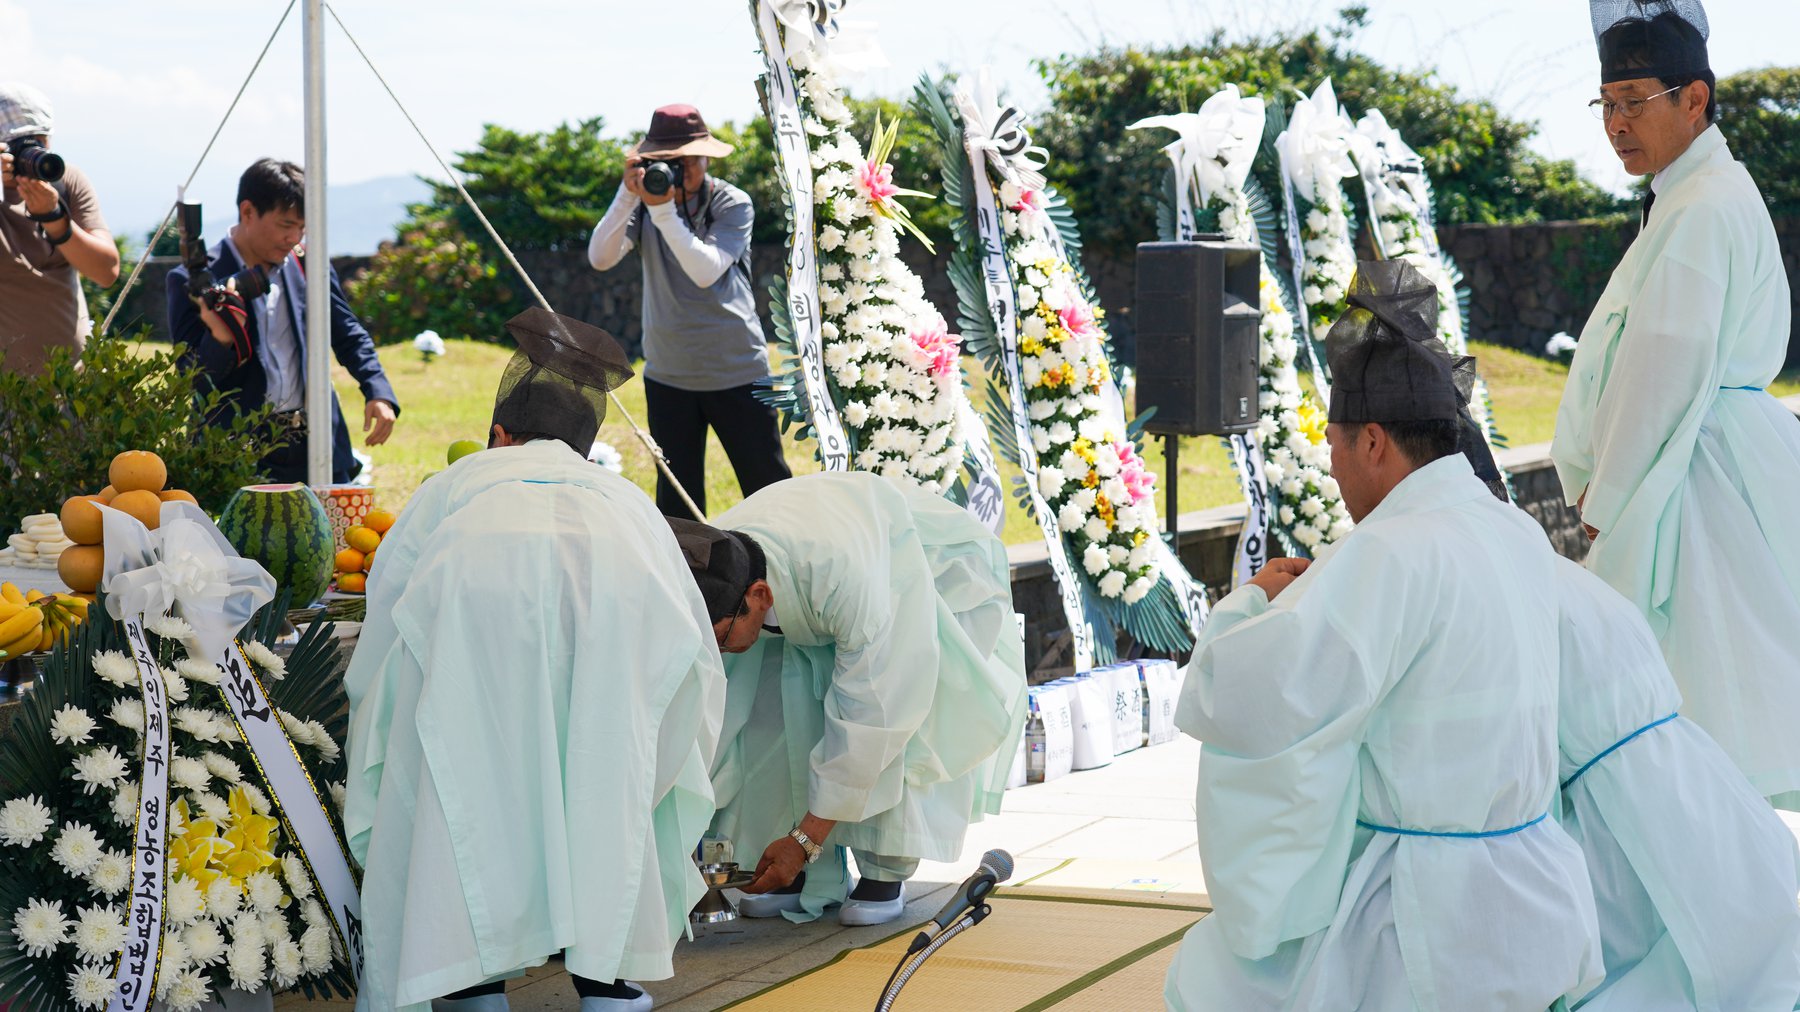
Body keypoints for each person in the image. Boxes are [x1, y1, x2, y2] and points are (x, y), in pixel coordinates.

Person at [1164, 261, 1602, 1011]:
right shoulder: (1512, 530)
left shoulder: (1392, 550)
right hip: (1538, 885)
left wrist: (1249, 605)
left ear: (1372, 442)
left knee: (1219, 983)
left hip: (1426, 919)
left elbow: (1256, 697)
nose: (1331, 470)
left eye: (1332, 446)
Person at [342, 307, 724, 1012]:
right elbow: (694, 654)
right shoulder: (628, 505)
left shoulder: (450, 490)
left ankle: (470, 982)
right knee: (603, 783)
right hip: (610, 664)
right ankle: (605, 982)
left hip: (471, 669)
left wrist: (378, 726)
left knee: (462, 786)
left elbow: (386, 629)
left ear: (498, 435)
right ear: (583, 446)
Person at [1552, 0, 1800, 810]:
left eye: (1635, 103)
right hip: (1708, 458)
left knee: (1698, 711)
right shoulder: (1697, 194)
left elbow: (1661, 370)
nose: (1617, 124)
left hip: (1692, 473)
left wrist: (1606, 498)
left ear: (1695, 99)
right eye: (1608, 105)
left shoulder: (1703, 205)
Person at [667, 471, 1026, 927]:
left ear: (758, 596)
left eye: (718, 637)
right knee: (769, 713)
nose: (715, 648)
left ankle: (882, 871)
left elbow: (876, 714)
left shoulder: (846, 581)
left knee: (898, 719)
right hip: (819, 563)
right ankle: (804, 874)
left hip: (918, 569)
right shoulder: (721, 567)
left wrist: (806, 838)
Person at [1552, 555, 1800, 1010]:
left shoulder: (1504, 592)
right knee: (1744, 945)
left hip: (1614, 804)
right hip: (1687, 774)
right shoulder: (1570, 580)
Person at [589, 104, 791, 517]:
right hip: (670, 376)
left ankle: (787, 569)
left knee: (767, 488)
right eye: (667, 163)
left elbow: (706, 269)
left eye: (687, 161)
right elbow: (600, 257)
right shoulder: (643, 204)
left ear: (706, 157)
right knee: (678, 502)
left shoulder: (732, 203)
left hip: (737, 370)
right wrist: (628, 194)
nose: (679, 171)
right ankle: (693, 580)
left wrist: (662, 210)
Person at [168, 158, 399, 485]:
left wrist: (378, 391)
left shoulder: (310, 263)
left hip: (317, 441)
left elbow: (347, 333)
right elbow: (193, 383)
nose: (294, 237)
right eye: (286, 224)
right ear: (247, 212)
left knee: (330, 536)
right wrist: (221, 338)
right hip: (236, 451)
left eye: (302, 228)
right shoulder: (193, 281)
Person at [0, 82, 120, 375]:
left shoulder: (67, 181)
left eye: (38, 141)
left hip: (72, 391)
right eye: (18, 145)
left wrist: (55, 218)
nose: (30, 155)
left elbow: (107, 271)